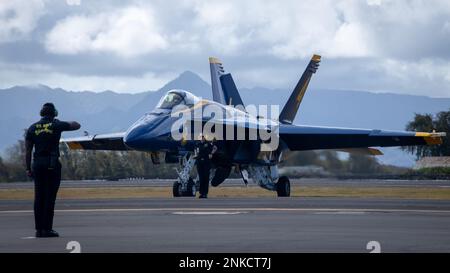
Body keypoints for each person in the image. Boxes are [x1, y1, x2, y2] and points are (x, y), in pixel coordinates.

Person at [25, 103, 80, 238]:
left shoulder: (32, 128)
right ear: (54, 113)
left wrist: (28, 168)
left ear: (41, 113)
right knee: (49, 198)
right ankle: (47, 229)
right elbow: (76, 125)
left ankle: (39, 230)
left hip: (37, 164)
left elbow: (27, 151)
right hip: (51, 164)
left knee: (39, 198)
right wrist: (59, 123)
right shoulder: (56, 125)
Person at [195, 134, 217, 199]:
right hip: (199, 162)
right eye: (201, 137)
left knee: (206, 177)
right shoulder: (197, 144)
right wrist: (196, 155)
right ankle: (201, 193)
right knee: (201, 178)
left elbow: (215, 148)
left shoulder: (208, 144)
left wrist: (211, 153)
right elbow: (195, 151)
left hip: (206, 162)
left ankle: (205, 193)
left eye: (203, 137)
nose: (202, 138)